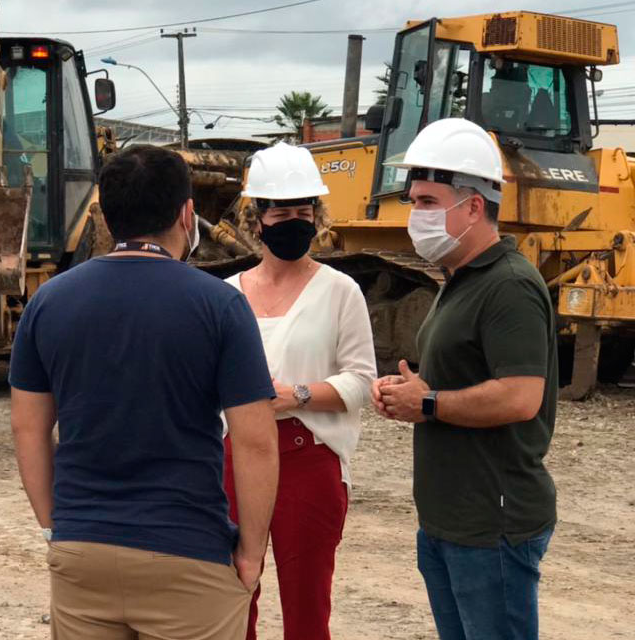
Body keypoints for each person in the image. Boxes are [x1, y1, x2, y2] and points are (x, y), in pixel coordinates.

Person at [10, 144, 280, 640]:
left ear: (107, 217)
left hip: (82, 551)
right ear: (186, 212)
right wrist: (251, 551)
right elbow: (256, 440)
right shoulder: (221, 306)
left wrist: (57, 525)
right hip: (187, 552)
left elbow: (28, 427)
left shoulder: (47, 302)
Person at [373, 118, 558, 640]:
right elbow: (457, 376)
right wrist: (405, 393)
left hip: (490, 525)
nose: (414, 215)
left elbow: (521, 397)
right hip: (449, 521)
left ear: (473, 205)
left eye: (427, 202)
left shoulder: (510, 287)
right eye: (413, 201)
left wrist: (428, 404)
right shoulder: (461, 279)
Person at [224, 142, 377, 640]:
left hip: (308, 459)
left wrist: (298, 396)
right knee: (229, 597)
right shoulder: (227, 294)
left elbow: (360, 380)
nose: (295, 220)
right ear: (257, 218)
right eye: (282, 211)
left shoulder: (339, 291)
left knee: (307, 607)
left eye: (304, 210)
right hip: (232, 456)